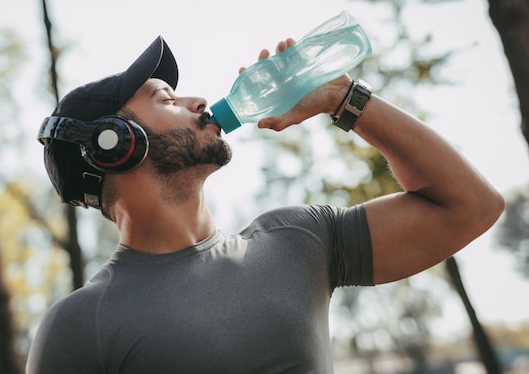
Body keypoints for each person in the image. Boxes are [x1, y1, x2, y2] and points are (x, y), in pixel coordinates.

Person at [28, 35, 505, 374]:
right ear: (116, 144)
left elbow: (471, 205)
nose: (198, 101)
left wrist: (343, 99)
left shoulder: (300, 240)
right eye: (167, 99)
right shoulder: (80, 326)